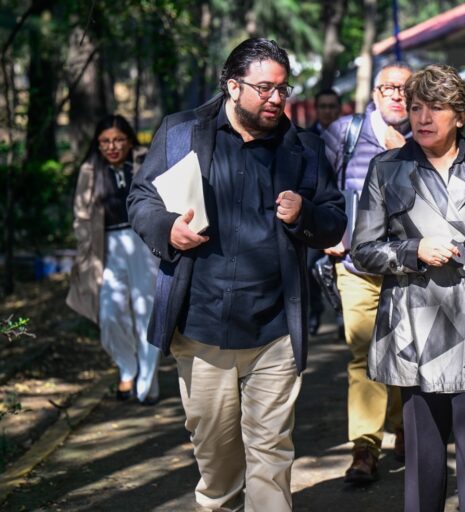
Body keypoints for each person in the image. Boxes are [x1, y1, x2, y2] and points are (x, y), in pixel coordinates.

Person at [127, 38, 345, 511]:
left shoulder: (304, 146)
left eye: (283, 90)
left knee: (271, 454)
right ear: (232, 85)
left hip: (275, 331)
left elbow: (334, 218)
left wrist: (305, 213)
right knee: (218, 459)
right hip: (203, 326)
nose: (276, 99)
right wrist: (168, 230)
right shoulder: (181, 132)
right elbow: (140, 199)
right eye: (265, 88)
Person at [351, 64, 465, 512]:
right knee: (423, 461)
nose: (423, 117)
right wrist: (412, 250)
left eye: (436, 108)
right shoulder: (387, 168)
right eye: (416, 107)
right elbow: (363, 250)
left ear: (460, 115)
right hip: (415, 328)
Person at [321, 62, 412, 483]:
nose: (396, 94)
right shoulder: (345, 132)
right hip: (357, 266)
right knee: (364, 352)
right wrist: (327, 231)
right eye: (388, 87)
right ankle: (365, 447)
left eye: (404, 88)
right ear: (375, 94)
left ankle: (403, 426)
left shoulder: (425, 135)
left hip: (409, 268)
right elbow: (317, 184)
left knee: (406, 351)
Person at [67, 114, 161, 405]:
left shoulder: (145, 162)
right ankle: (127, 367)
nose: (112, 146)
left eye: (118, 139)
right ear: (98, 144)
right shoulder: (90, 171)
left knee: (147, 312)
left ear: (130, 139)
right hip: (106, 247)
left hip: (143, 243)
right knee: (110, 313)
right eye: (105, 141)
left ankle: (147, 383)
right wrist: (85, 242)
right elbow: (81, 214)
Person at [307, 88, 342, 334]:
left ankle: (343, 317)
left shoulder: (350, 137)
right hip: (312, 213)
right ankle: (314, 314)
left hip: (343, 212)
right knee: (309, 267)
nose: (328, 111)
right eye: (324, 106)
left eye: (332, 106)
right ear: (316, 109)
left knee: (342, 267)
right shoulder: (304, 138)